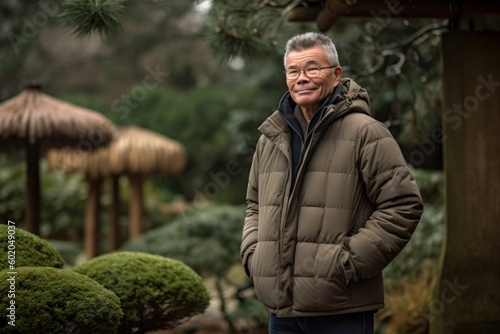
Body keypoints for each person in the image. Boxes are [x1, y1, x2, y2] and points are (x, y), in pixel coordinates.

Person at [241, 31, 424, 334]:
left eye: (312, 68)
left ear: (336, 74)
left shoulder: (366, 132)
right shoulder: (270, 138)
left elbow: (403, 204)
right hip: (281, 311)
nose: (302, 78)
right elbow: (254, 205)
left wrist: (347, 264)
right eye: (293, 71)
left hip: (342, 309)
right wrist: (253, 255)